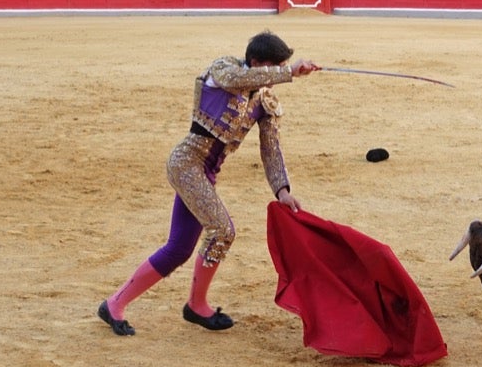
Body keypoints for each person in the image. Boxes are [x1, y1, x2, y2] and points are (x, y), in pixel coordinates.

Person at [97, 32, 319, 336]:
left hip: (206, 173)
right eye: (273, 67)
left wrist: (282, 190)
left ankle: (115, 304)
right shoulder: (223, 70)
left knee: (178, 249)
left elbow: (271, 149)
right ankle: (197, 305)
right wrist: (289, 72)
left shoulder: (265, 100)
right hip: (186, 164)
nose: (274, 76)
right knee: (222, 230)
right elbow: (235, 77)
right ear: (256, 63)